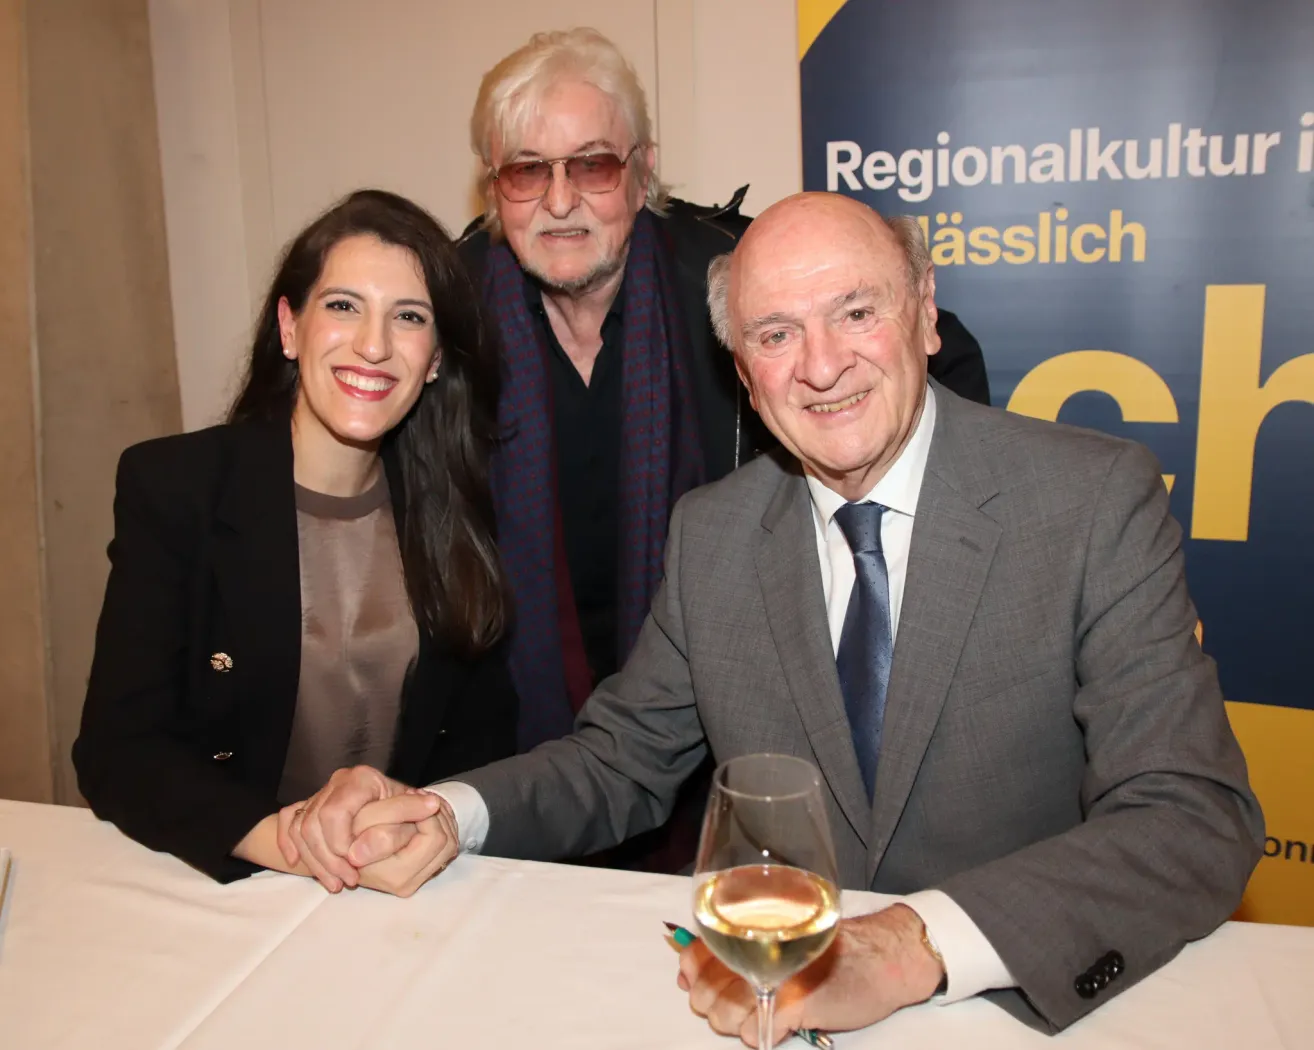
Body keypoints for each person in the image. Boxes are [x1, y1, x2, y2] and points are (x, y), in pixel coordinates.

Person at [285, 191, 1263, 1036]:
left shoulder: (1089, 502)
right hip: (771, 1010)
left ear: (924, 315)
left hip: (1008, 1004)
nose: (821, 365)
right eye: (775, 333)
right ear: (744, 372)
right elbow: (623, 759)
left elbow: (1192, 817)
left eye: (855, 312)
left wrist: (914, 944)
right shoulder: (716, 534)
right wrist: (447, 812)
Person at [459, 27, 992, 757]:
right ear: (495, 187)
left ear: (642, 174)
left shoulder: (735, 275)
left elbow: (936, 350)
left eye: (593, 165)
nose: (560, 201)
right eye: (526, 170)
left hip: (730, 718)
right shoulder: (442, 310)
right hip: (512, 718)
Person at [73, 189, 515, 896]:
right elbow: (117, 751)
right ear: (290, 326)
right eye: (343, 306)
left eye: (409, 317)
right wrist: (286, 838)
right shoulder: (176, 486)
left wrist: (415, 816)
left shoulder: (455, 506)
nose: (374, 344)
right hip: (234, 882)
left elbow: (485, 736)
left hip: (399, 884)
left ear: (434, 360)